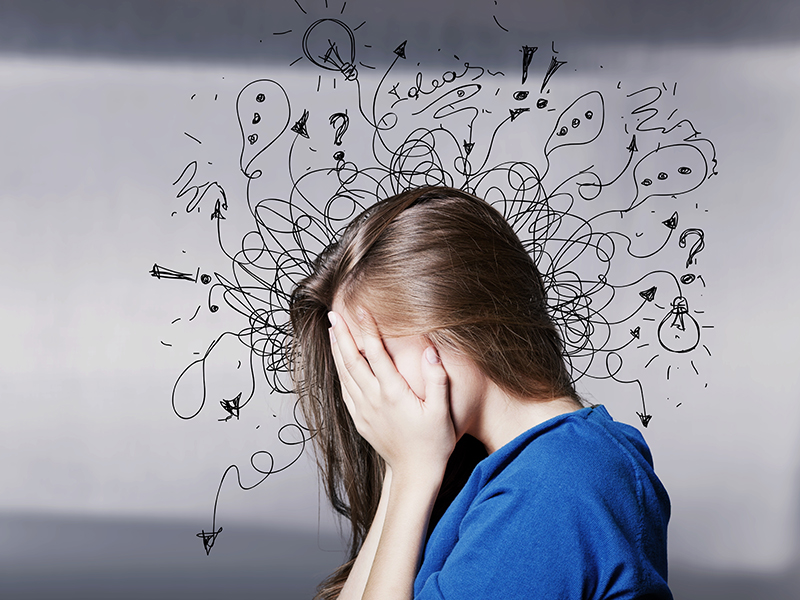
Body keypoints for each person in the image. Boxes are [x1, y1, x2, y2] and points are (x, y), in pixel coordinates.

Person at [289, 186, 672, 600]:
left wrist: (413, 473)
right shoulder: (526, 469)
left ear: (450, 324)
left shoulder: (557, 483)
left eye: (371, 359)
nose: (366, 393)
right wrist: (405, 471)